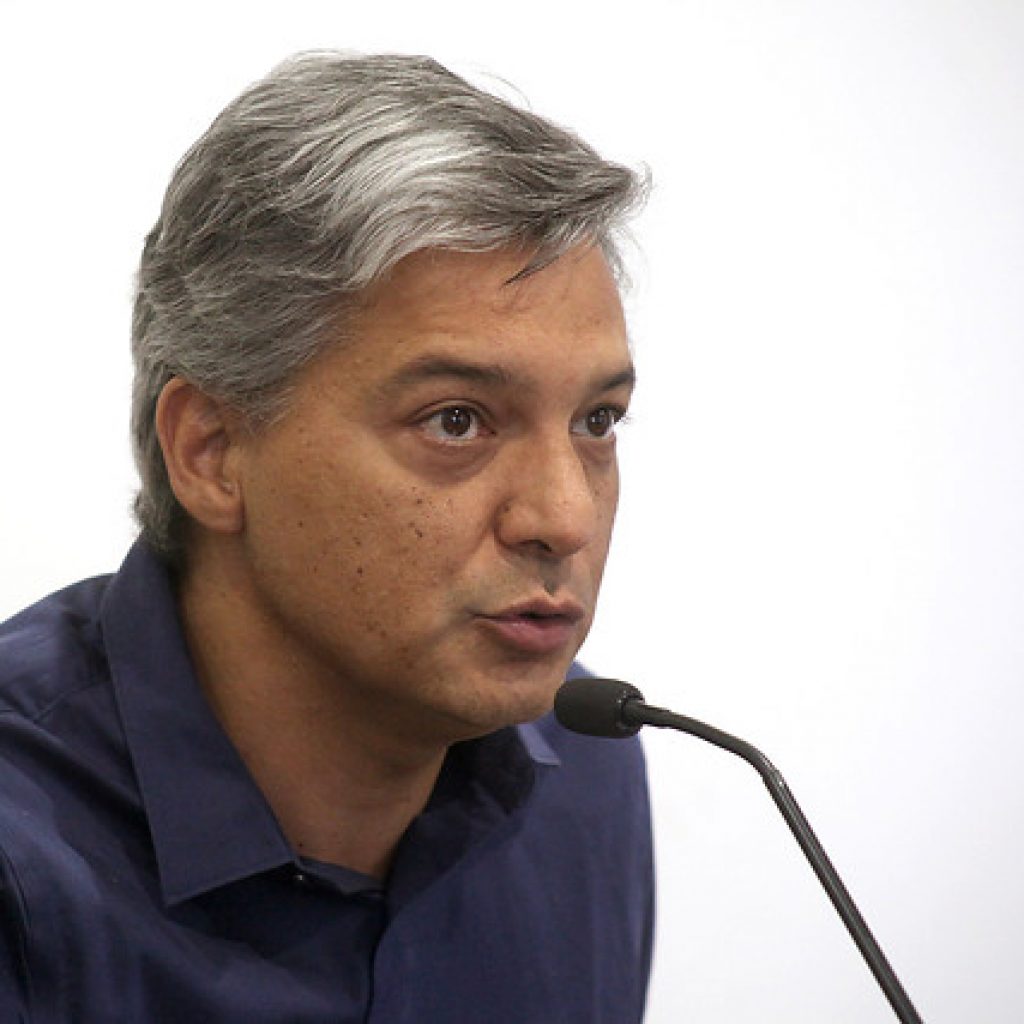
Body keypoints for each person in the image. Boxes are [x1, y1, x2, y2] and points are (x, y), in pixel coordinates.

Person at [0, 51, 653, 1023]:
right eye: (457, 421)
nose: (564, 518)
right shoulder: (22, 857)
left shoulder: (586, 775)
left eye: (596, 422)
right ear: (213, 451)